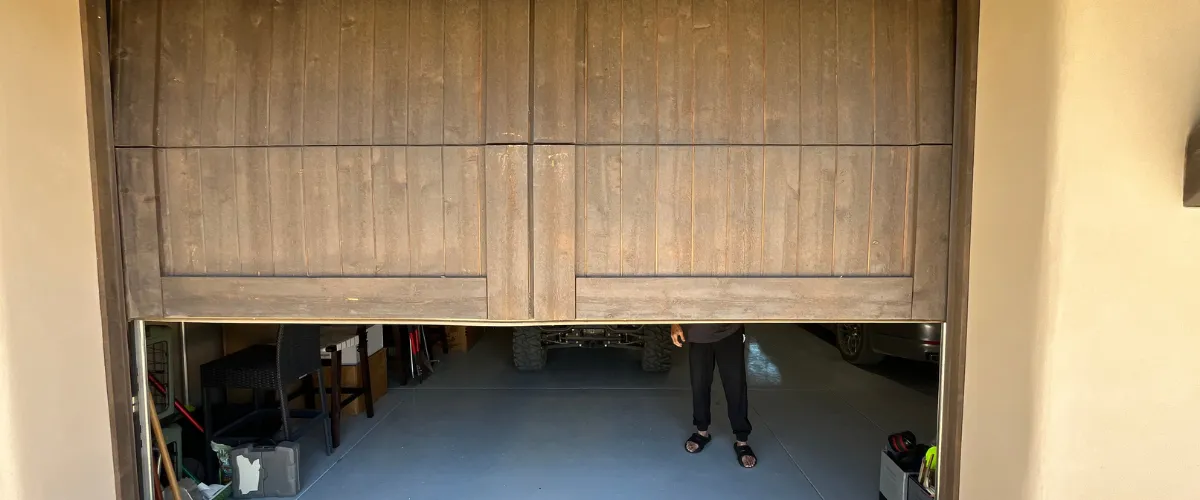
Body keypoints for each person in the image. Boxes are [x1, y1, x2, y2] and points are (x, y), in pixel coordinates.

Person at [672, 323, 756, 468]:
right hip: (697, 332)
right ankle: (701, 431)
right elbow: (675, 299)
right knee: (699, 383)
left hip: (729, 330)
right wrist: (673, 322)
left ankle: (742, 440)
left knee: (735, 384)